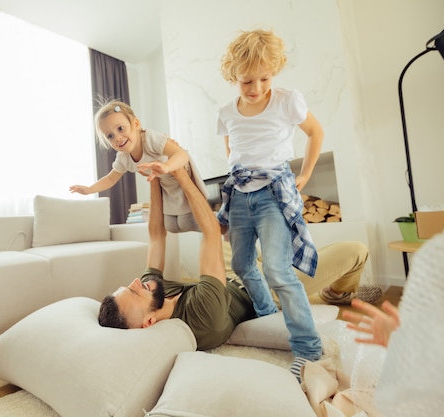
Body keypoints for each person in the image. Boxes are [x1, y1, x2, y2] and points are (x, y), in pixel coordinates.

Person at [215, 28, 325, 375]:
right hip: (239, 194)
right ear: (232, 75)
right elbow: (232, 151)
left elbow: (315, 132)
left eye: (264, 78)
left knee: (276, 269)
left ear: (274, 72)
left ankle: (308, 349)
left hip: (272, 193)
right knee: (243, 264)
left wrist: (304, 175)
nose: (256, 88)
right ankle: (267, 316)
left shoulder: (286, 99)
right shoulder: (226, 112)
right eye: (247, 81)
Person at [98, 167, 258, 353]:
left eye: (128, 287)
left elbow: (156, 236)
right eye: (133, 292)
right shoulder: (202, 318)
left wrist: (155, 178)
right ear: (149, 321)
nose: (135, 282)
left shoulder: (152, 295)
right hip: (252, 283)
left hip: (225, 276)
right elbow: (211, 232)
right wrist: (181, 175)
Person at [69, 100, 207, 233]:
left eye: (121, 129)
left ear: (135, 124)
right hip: (167, 187)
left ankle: (219, 222)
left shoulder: (150, 139)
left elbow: (182, 155)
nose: (117, 137)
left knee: (186, 222)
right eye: (110, 136)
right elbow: (111, 179)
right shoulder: (123, 157)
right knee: (171, 226)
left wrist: (166, 166)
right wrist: (89, 190)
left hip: (182, 179)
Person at [223, 239, 384, 306]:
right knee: (356, 250)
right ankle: (336, 294)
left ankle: (334, 292)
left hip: (263, 265)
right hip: (263, 286)